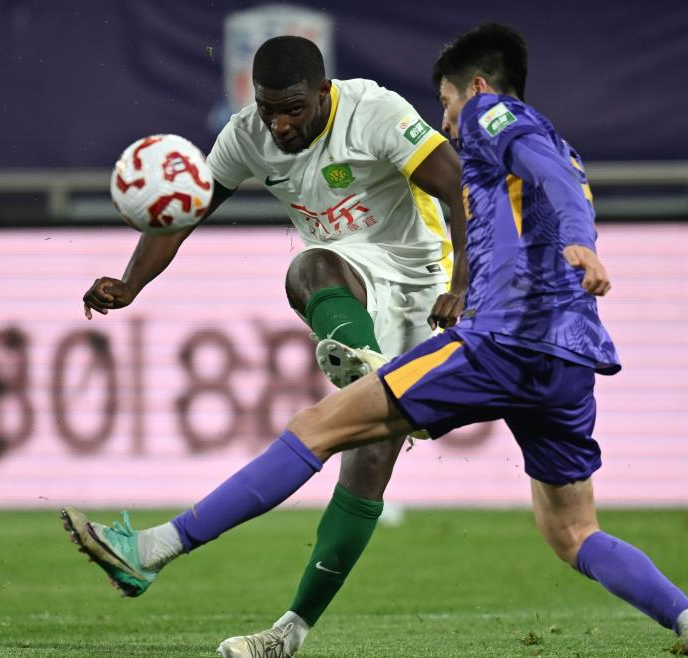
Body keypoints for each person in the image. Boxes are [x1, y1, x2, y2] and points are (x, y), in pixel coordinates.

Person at [65, 24, 688, 658]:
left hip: (493, 335)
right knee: (572, 532)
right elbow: (546, 178)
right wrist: (131, 281)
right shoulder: (558, 143)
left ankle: (155, 548)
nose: (444, 119)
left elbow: (525, 182)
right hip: (568, 355)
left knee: (316, 427)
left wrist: (567, 247)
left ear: (476, 88)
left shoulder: (489, 114)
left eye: (446, 101)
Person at [76, 35, 468, 657]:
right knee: (307, 266)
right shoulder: (245, 136)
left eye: (293, 110)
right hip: (349, 279)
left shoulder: (375, 112)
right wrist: (130, 283)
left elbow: (460, 188)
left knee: (368, 462)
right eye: (268, 110)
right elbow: (187, 213)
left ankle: (272, 617)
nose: (279, 125)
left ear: (324, 93)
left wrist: (464, 284)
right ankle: (366, 367)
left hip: (421, 284)